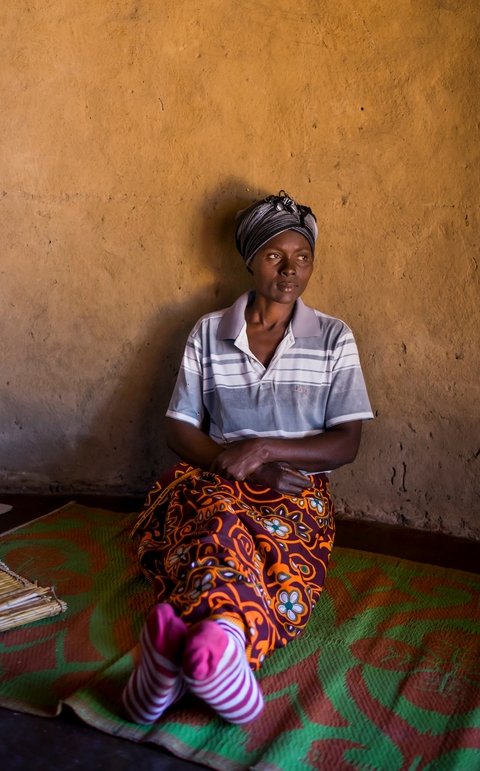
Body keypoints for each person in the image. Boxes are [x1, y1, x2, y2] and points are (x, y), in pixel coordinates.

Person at [122, 191, 373, 726]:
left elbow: (347, 442)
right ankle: (224, 651)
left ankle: (173, 658)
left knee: (280, 559)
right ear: (251, 260)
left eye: (302, 257)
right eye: (274, 256)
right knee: (214, 524)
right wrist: (241, 462)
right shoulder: (210, 333)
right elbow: (178, 427)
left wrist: (267, 449)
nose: (290, 270)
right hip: (217, 476)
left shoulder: (333, 337)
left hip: (295, 493)